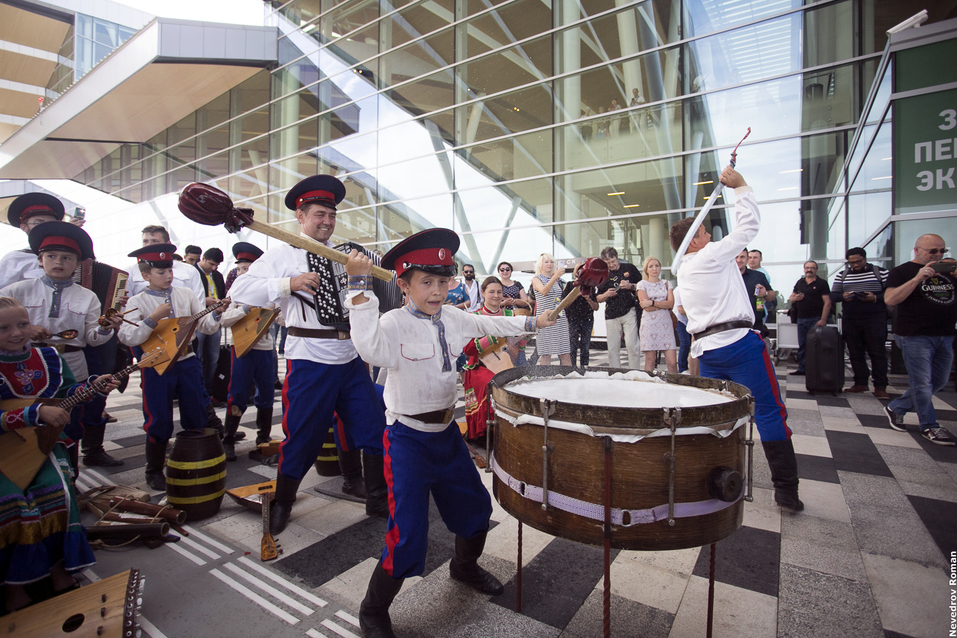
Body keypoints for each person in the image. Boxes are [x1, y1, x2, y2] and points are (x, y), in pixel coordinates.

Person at [343, 228, 557, 638]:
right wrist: (358, 283)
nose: (437, 291)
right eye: (426, 282)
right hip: (407, 440)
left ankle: (464, 568)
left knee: (476, 510)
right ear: (403, 285)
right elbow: (368, 346)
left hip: (445, 435)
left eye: (443, 281)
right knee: (406, 534)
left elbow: (484, 320)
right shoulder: (391, 324)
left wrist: (535, 319)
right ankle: (372, 611)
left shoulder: (454, 317)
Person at [228, 175, 389, 531]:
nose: (327, 222)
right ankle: (283, 500)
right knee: (302, 435)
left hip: (349, 358)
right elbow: (241, 288)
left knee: (373, 426)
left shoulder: (343, 254)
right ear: (300, 217)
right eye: (319, 214)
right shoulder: (282, 254)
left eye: (331, 215)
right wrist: (289, 283)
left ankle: (377, 499)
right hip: (310, 357)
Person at [670, 166, 803, 511]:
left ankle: (710, 480)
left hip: (706, 351)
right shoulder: (709, 255)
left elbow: (682, 315)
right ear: (695, 241)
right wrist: (741, 187)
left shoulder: (683, 273)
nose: (711, 238)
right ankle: (786, 490)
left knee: (718, 418)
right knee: (770, 413)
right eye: (704, 232)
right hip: (739, 346)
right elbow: (748, 228)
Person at [0, 297, 117, 612]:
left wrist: (93, 385)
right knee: (12, 505)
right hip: (6, 454)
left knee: (58, 494)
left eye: (22, 324)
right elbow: (33, 411)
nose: (16, 333)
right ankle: (15, 588)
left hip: (42, 446)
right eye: (4, 328)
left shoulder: (48, 356)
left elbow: (66, 395)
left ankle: (58, 569)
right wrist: (33, 414)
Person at [0, 222, 124, 469]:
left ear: (77, 265)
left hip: (73, 365)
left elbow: (92, 338)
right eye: (51, 256)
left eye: (67, 258)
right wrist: (26, 330)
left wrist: (105, 328)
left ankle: (70, 475)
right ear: (40, 259)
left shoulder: (88, 296)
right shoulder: (16, 290)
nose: (58, 262)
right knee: (27, 421)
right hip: (26, 367)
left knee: (70, 422)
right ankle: (28, 473)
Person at [117, 242, 225, 490]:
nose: (168, 276)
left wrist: (217, 313)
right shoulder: (137, 301)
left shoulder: (185, 294)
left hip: (187, 362)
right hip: (156, 366)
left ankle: (195, 461)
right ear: (145, 275)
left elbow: (206, 326)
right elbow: (126, 336)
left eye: (170, 271)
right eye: (160, 272)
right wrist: (152, 319)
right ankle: (153, 469)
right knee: (158, 417)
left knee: (196, 413)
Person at [883, 234, 957, 445]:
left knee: (939, 380)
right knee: (922, 383)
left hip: (944, 333)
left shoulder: (948, 273)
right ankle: (930, 426)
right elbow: (890, 299)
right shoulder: (902, 271)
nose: (938, 255)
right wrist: (917, 279)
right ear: (917, 250)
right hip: (915, 335)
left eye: (942, 251)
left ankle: (896, 407)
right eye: (932, 251)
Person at [218, 242, 277, 461]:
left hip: (264, 348)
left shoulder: (268, 291)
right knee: (238, 392)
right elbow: (223, 320)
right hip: (241, 348)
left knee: (267, 392)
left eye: (247, 268)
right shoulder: (236, 293)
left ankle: (263, 438)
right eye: (240, 269)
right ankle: (228, 439)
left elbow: (281, 318)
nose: (242, 273)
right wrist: (243, 309)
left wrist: (275, 311)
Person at [462, 277, 527, 438]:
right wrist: (493, 336)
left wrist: (524, 337)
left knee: (525, 382)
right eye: (491, 292)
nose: (496, 295)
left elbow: (519, 346)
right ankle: (486, 432)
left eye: (499, 292)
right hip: (479, 365)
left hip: (505, 362)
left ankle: (511, 428)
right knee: (491, 382)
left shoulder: (510, 314)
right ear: (483, 293)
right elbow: (468, 349)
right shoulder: (474, 317)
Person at [830, 247, 889, 397]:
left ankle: (880, 386)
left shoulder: (880, 272)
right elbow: (834, 295)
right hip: (851, 318)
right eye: (851, 263)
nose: (855, 265)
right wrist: (843, 296)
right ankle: (860, 382)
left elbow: (891, 293)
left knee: (877, 352)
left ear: (865, 258)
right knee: (855, 352)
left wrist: (875, 297)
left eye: (858, 262)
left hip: (875, 318)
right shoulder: (842, 275)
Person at [125, 226, 205, 299]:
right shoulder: (130, 271)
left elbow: (199, 303)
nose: (149, 245)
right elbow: (127, 306)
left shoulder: (189, 270)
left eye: (154, 241)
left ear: (168, 243)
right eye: (145, 241)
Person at [596, 247, 642, 369]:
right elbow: (597, 298)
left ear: (617, 257)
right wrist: (606, 295)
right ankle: (615, 374)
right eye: (608, 263)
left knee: (632, 345)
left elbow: (643, 286)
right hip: (611, 314)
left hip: (629, 311)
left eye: (613, 261)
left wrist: (630, 286)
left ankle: (634, 372)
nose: (611, 265)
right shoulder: (603, 275)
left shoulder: (629, 268)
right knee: (613, 348)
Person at [787, 261, 832, 376]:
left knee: (817, 345)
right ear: (804, 269)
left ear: (816, 270)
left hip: (816, 318)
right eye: (807, 268)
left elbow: (827, 303)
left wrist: (823, 319)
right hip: (801, 318)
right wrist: (796, 298)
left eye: (812, 268)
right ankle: (802, 369)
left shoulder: (822, 283)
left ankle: (816, 370)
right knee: (802, 345)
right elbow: (791, 298)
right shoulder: (800, 283)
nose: (809, 270)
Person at [636, 257, 677, 373]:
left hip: (665, 325)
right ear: (646, 269)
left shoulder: (667, 284)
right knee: (650, 359)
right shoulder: (642, 284)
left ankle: (675, 386)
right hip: (650, 325)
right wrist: (661, 305)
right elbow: (646, 307)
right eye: (651, 266)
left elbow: (671, 304)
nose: (654, 268)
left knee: (672, 362)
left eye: (657, 266)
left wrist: (653, 302)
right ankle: (648, 386)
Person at [195, 247, 226, 396]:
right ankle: (198, 391)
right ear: (203, 259)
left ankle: (208, 390)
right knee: (198, 357)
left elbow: (222, 292)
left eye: (216, 266)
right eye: (211, 264)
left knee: (213, 357)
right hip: (197, 319)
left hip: (214, 318)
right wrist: (203, 301)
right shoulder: (193, 273)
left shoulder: (217, 275)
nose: (213, 268)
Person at [531, 253, 572, 366]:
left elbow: (559, 299)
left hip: (560, 318)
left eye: (551, 261)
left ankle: (568, 378)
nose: (549, 264)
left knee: (565, 353)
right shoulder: (536, 279)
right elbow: (544, 291)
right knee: (546, 353)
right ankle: (545, 378)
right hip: (545, 319)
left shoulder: (559, 281)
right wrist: (555, 277)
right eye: (546, 261)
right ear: (540, 264)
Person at [562, 263, 599, 368]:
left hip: (587, 320)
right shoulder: (569, 285)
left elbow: (596, 307)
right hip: (572, 320)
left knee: (585, 346)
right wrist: (576, 295)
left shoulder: (591, 287)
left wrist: (588, 299)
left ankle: (584, 368)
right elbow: (564, 304)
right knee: (572, 347)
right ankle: (572, 369)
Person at [736, 249, 774, 337]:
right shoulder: (725, 276)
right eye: (736, 257)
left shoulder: (758, 275)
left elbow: (771, 295)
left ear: (747, 259)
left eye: (742, 257)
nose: (739, 260)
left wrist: (765, 294)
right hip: (732, 325)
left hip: (755, 323)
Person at [673, 287, 692, 373]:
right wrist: (695, 313)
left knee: (692, 343)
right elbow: (680, 310)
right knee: (685, 342)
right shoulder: (678, 290)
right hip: (679, 320)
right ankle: (682, 368)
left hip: (690, 320)